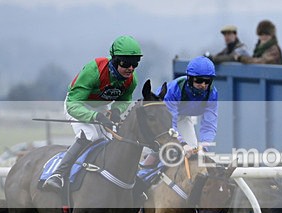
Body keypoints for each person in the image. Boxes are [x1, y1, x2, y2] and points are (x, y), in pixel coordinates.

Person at [42, 35, 142, 191]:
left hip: (101, 108)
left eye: (135, 64)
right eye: (126, 63)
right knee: (90, 136)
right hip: (77, 105)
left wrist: (116, 111)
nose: (131, 68)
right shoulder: (94, 70)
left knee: (110, 142)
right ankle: (58, 174)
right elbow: (73, 105)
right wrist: (96, 116)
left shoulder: (131, 79)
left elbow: (125, 99)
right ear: (115, 60)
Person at [163, 55, 219, 151]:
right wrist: (182, 143)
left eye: (207, 81)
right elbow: (170, 123)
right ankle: (147, 164)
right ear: (190, 78)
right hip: (160, 118)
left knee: (194, 150)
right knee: (163, 151)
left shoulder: (212, 93)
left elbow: (209, 124)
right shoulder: (174, 90)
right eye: (199, 80)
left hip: (183, 117)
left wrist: (204, 146)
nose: (203, 85)